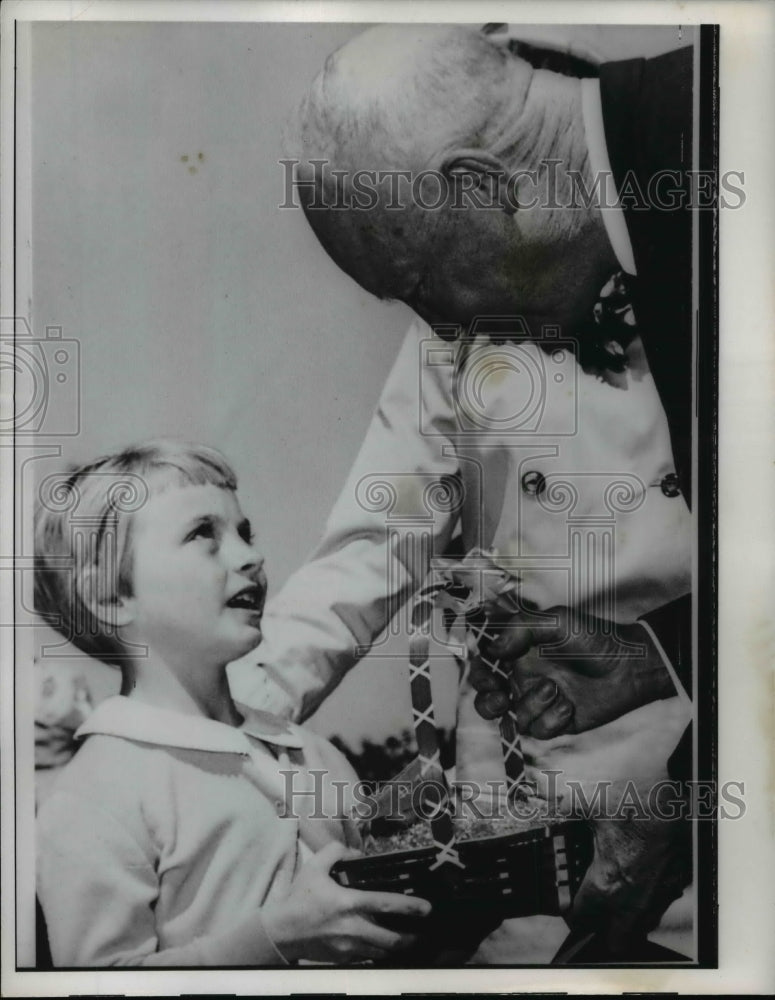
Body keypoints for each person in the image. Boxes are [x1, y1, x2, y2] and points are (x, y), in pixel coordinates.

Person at [230, 25, 698, 958]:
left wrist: (684, 777)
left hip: (695, 790)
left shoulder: (717, 177)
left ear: (481, 189)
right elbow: (378, 533)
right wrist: (226, 717)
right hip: (517, 797)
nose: (437, 323)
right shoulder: (479, 304)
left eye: (421, 283)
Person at [33, 440, 430, 967]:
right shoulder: (96, 794)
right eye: (204, 535)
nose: (251, 556)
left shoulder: (315, 755)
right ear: (110, 596)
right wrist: (274, 939)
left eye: (244, 533)